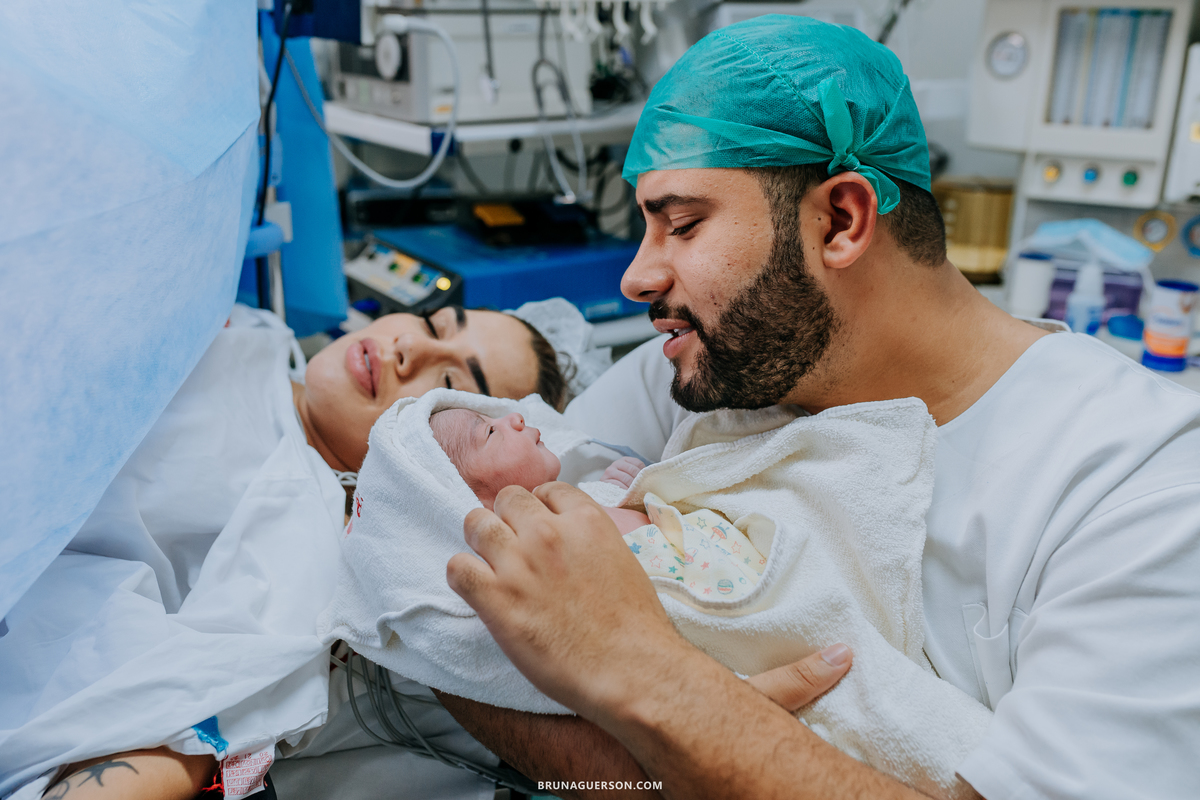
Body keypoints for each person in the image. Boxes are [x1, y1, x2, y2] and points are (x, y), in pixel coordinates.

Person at [435, 16, 1200, 800]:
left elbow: (577, 647)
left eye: (683, 224)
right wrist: (657, 771)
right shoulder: (712, 376)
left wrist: (646, 681)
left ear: (840, 221)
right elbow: (438, 567)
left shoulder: (1136, 496)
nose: (636, 276)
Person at [1, 303, 566, 800]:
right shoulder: (249, 326)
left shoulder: (305, 534)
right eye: (433, 323)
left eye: (446, 381)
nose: (408, 346)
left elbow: (183, 722)